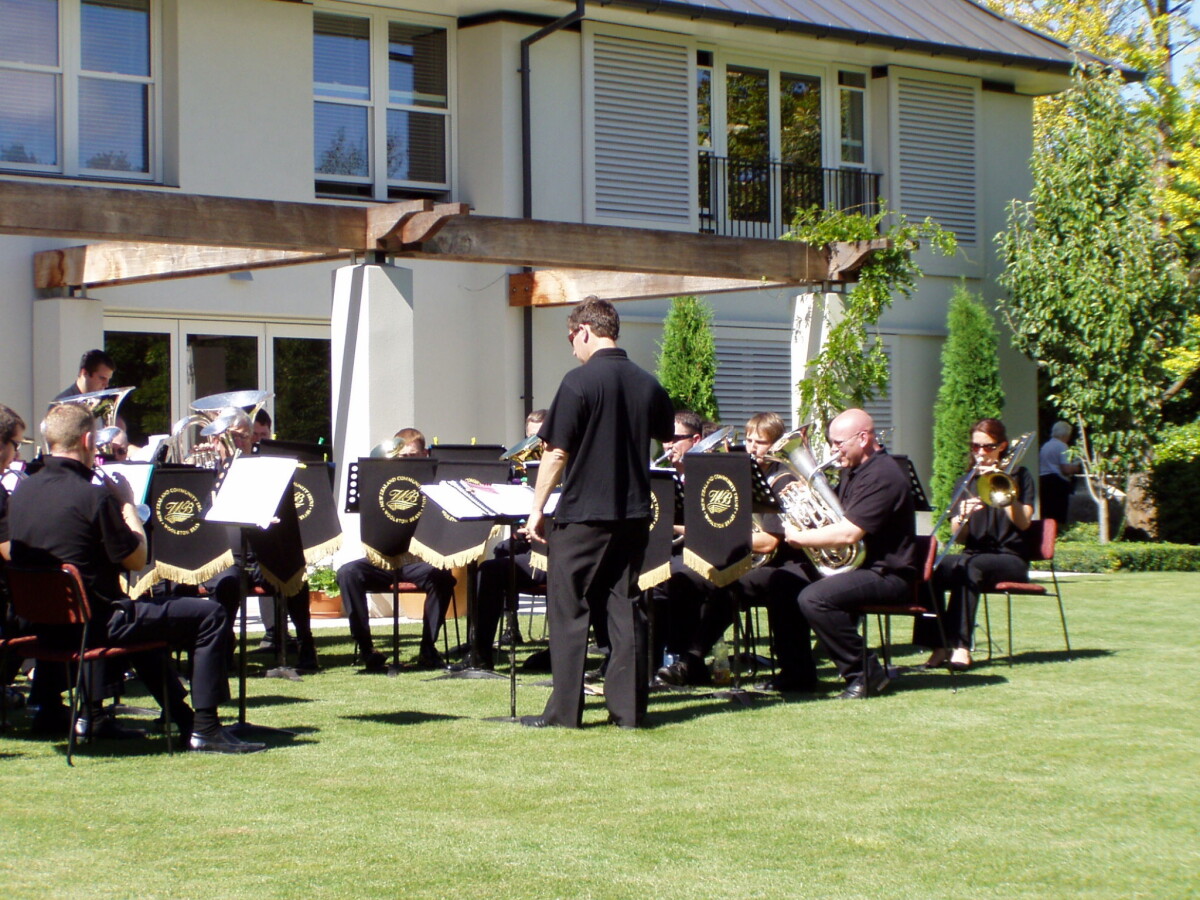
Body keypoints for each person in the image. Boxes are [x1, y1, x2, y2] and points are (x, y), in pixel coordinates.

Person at [7, 404, 263, 751]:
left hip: (46, 627)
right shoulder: (93, 496)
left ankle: (178, 719)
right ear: (86, 440)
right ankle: (206, 727)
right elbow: (137, 558)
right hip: (94, 626)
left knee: (142, 616)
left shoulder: (22, 492)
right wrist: (126, 504)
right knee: (210, 615)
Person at [522, 296, 674, 729]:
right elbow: (669, 442)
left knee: (569, 611)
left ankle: (564, 714)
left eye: (572, 338)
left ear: (585, 331)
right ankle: (627, 712)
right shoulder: (648, 383)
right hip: (633, 515)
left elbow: (554, 453)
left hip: (584, 514)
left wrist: (537, 509)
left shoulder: (578, 382)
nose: (572, 347)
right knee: (624, 607)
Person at [771, 408, 920, 698]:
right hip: (862, 568)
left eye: (839, 443)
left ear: (863, 438)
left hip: (888, 572)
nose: (833, 450)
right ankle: (797, 673)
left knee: (815, 598)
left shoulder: (883, 474)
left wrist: (801, 538)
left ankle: (866, 673)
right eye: (831, 443)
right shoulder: (853, 471)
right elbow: (833, 516)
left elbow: (850, 533)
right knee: (781, 583)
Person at [916, 418, 1034, 670]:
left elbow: (1024, 524)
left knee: (970, 566)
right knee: (931, 565)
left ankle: (961, 646)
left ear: (1002, 446)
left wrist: (1006, 492)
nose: (981, 452)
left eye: (988, 447)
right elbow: (960, 538)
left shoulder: (1019, 476)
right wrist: (961, 517)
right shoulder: (965, 482)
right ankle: (938, 645)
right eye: (975, 446)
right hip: (975, 553)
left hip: (1011, 557)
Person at [336, 427, 456, 672]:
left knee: (442, 578)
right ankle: (368, 649)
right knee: (348, 573)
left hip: (416, 560)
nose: (406, 463)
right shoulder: (382, 481)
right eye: (402, 458)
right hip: (382, 559)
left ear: (424, 455)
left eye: (412, 458)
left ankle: (427, 648)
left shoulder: (433, 482)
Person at [467, 409, 549, 669]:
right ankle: (481, 654)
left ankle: (556, 651)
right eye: (529, 437)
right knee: (491, 568)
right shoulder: (521, 469)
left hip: (560, 551)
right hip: (532, 546)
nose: (533, 445)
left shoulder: (567, 466)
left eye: (540, 437)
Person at [1039, 420, 1080, 528]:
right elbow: (1065, 469)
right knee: (1058, 513)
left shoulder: (1046, 445)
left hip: (1043, 480)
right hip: (1057, 482)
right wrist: (1076, 467)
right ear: (1065, 434)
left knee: (1046, 512)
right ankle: (1059, 532)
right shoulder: (1062, 446)